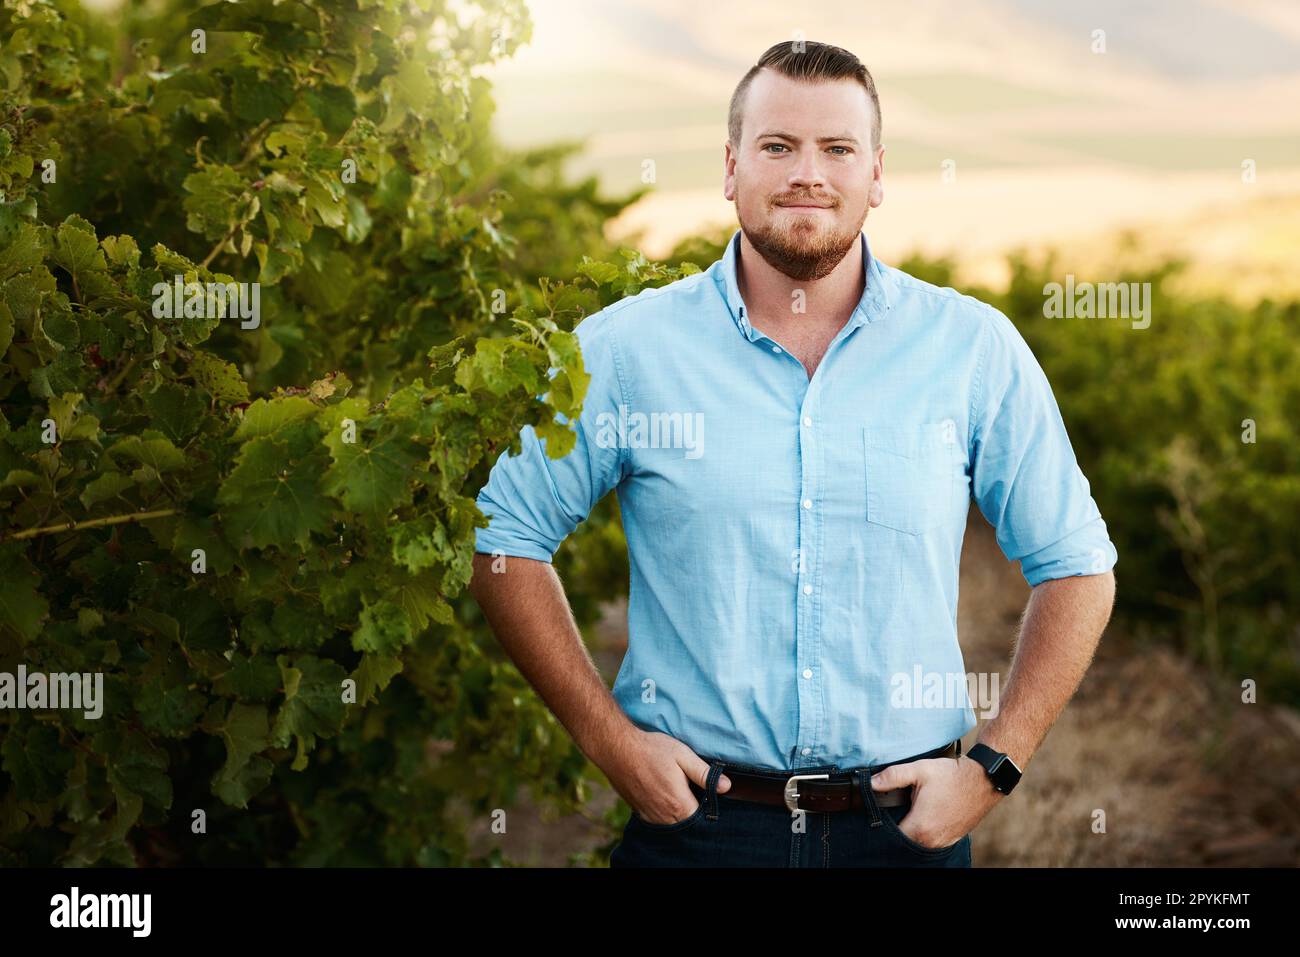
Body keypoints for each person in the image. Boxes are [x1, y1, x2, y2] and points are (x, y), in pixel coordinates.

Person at [468, 40, 1117, 867]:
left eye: (837, 149)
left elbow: (1078, 566)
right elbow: (505, 538)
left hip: (905, 831)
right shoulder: (628, 351)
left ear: (876, 175)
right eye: (778, 146)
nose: (807, 172)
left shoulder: (972, 349)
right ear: (732, 167)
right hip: (697, 830)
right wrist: (611, 742)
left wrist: (995, 765)